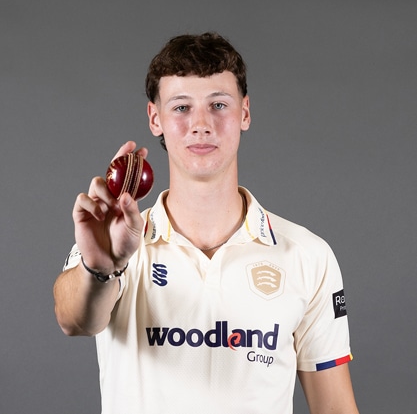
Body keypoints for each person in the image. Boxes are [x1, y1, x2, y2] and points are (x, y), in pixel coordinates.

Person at [54, 32, 359, 414]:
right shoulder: (116, 241)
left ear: (244, 112)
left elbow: (335, 408)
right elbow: (74, 320)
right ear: (155, 119)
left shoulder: (308, 255)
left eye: (218, 104)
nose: (201, 124)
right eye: (181, 107)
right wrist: (100, 268)